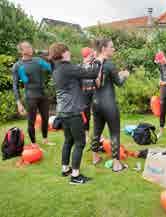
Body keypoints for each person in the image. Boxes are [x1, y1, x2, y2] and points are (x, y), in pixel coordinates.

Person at [49, 42, 99, 184]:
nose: (70, 53)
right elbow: (92, 73)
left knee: (69, 140)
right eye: (68, 51)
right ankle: (75, 176)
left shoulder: (58, 68)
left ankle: (65, 169)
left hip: (63, 111)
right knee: (80, 142)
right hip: (72, 111)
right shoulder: (67, 68)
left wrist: (86, 62)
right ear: (64, 53)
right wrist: (97, 61)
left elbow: (78, 70)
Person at [91, 38, 130, 172]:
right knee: (114, 132)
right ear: (103, 49)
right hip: (108, 103)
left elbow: (101, 80)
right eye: (111, 47)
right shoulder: (109, 64)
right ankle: (116, 164)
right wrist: (125, 75)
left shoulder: (93, 63)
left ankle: (95, 157)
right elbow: (118, 82)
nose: (113, 49)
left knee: (97, 131)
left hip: (95, 102)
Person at [12, 41, 52, 145]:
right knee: (31, 121)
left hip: (43, 94)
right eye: (27, 47)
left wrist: (50, 57)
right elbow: (15, 85)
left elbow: (51, 68)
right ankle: (34, 143)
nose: (31, 48)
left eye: (30, 46)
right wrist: (18, 102)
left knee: (45, 117)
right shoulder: (18, 66)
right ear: (21, 51)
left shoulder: (38, 60)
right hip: (30, 96)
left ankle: (45, 139)